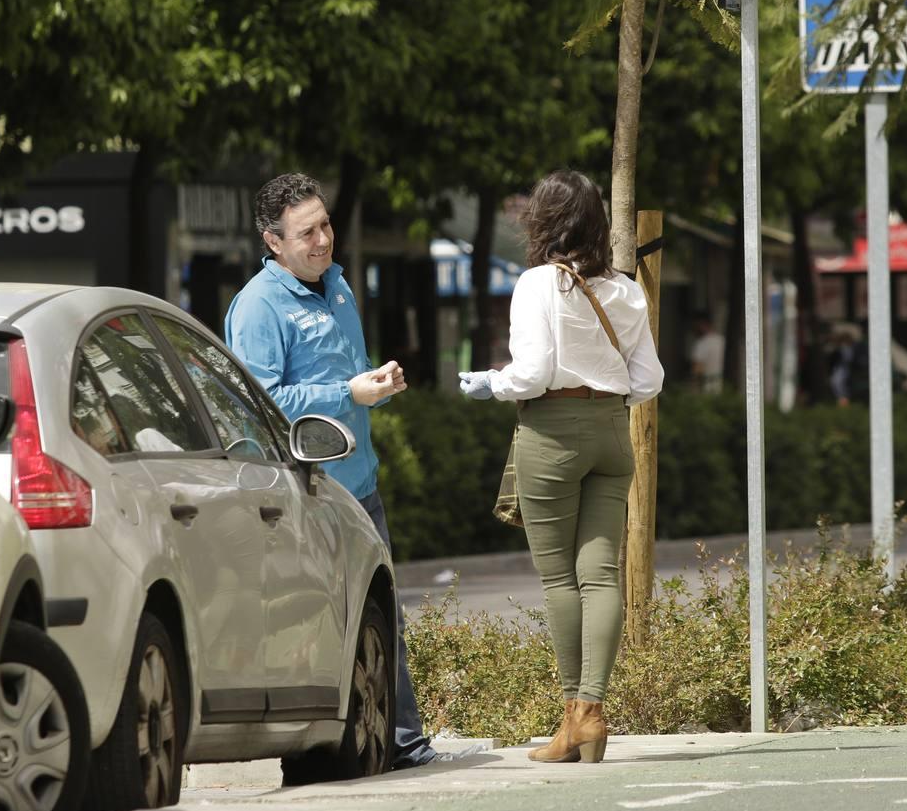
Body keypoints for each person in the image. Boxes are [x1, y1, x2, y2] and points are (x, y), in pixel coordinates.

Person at [225, 171, 439, 769]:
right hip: (303, 496)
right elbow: (259, 404)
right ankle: (317, 759)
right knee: (317, 629)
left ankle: (401, 742)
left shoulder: (337, 285)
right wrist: (349, 392)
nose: (323, 239)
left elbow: (347, 377)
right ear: (273, 241)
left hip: (359, 486)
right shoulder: (259, 307)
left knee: (380, 618)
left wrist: (375, 383)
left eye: (325, 224)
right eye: (306, 231)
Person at [458, 170, 664, 764]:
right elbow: (649, 379)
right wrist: (604, 402)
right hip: (610, 435)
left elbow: (532, 373)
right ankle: (590, 715)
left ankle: (573, 718)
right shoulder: (624, 289)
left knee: (560, 582)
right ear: (597, 222)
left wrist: (487, 383)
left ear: (543, 221)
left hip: (551, 434)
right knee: (601, 576)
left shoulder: (537, 284)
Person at [689, 312, 726, 394]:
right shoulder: (722, 340)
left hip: (708, 389)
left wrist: (694, 390)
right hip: (723, 387)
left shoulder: (702, 344)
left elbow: (697, 369)